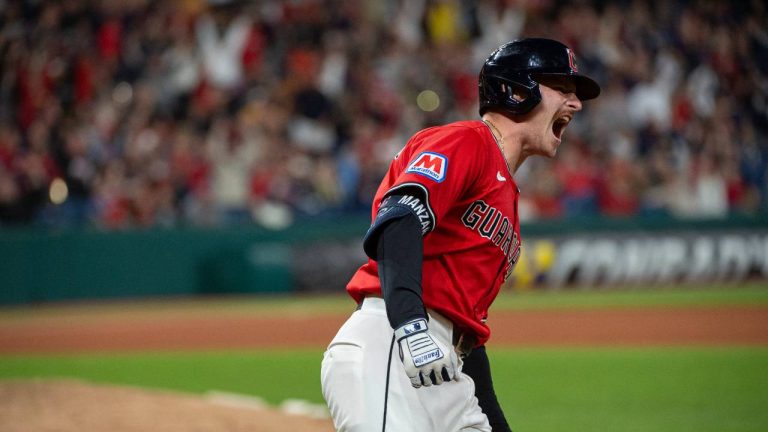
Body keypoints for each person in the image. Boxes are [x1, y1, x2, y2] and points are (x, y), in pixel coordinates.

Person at [320, 38, 600, 432]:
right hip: (391, 345)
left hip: (450, 369)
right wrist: (411, 326)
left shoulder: (506, 194)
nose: (576, 104)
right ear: (518, 90)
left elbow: (470, 330)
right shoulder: (468, 141)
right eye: (563, 90)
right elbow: (399, 220)